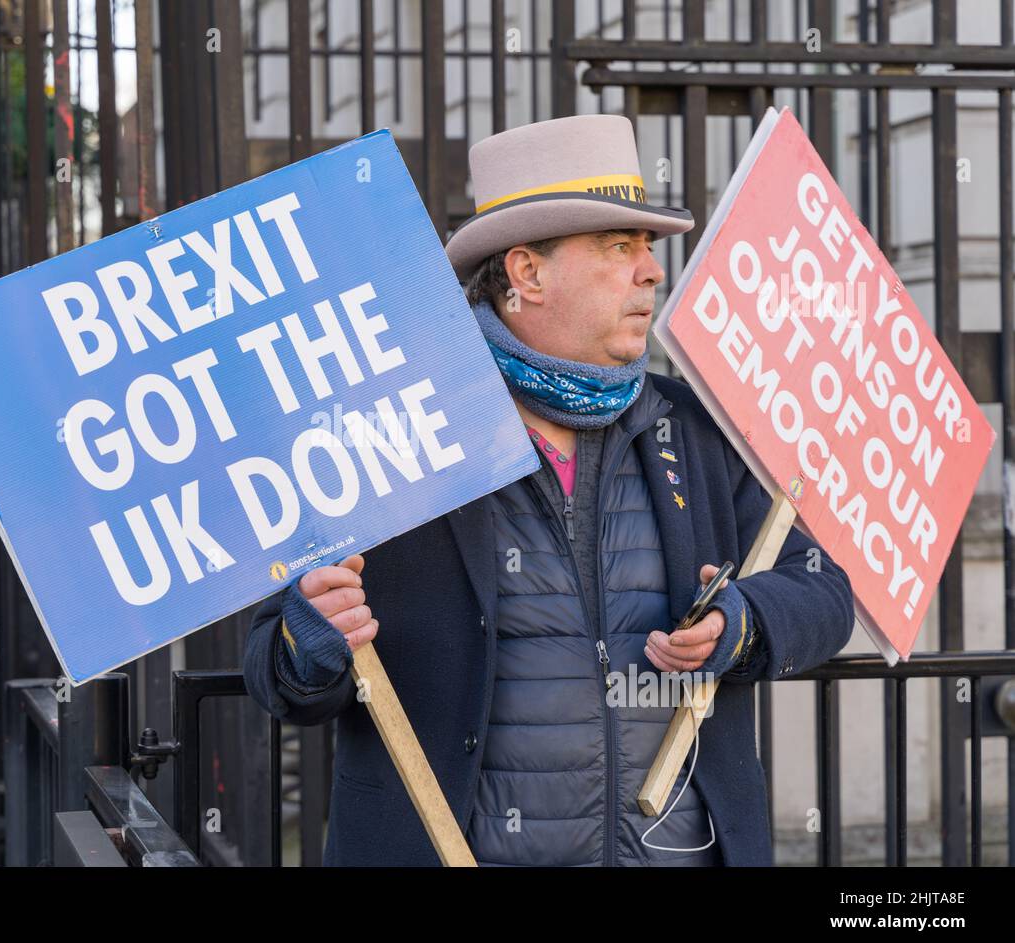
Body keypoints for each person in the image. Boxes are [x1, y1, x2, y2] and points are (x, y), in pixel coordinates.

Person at [242, 114, 855, 866]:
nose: (651, 271)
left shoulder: (693, 424)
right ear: (528, 274)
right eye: (617, 247)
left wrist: (744, 624)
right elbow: (280, 677)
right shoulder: (392, 428)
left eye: (647, 247)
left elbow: (826, 592)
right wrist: (314, 641)